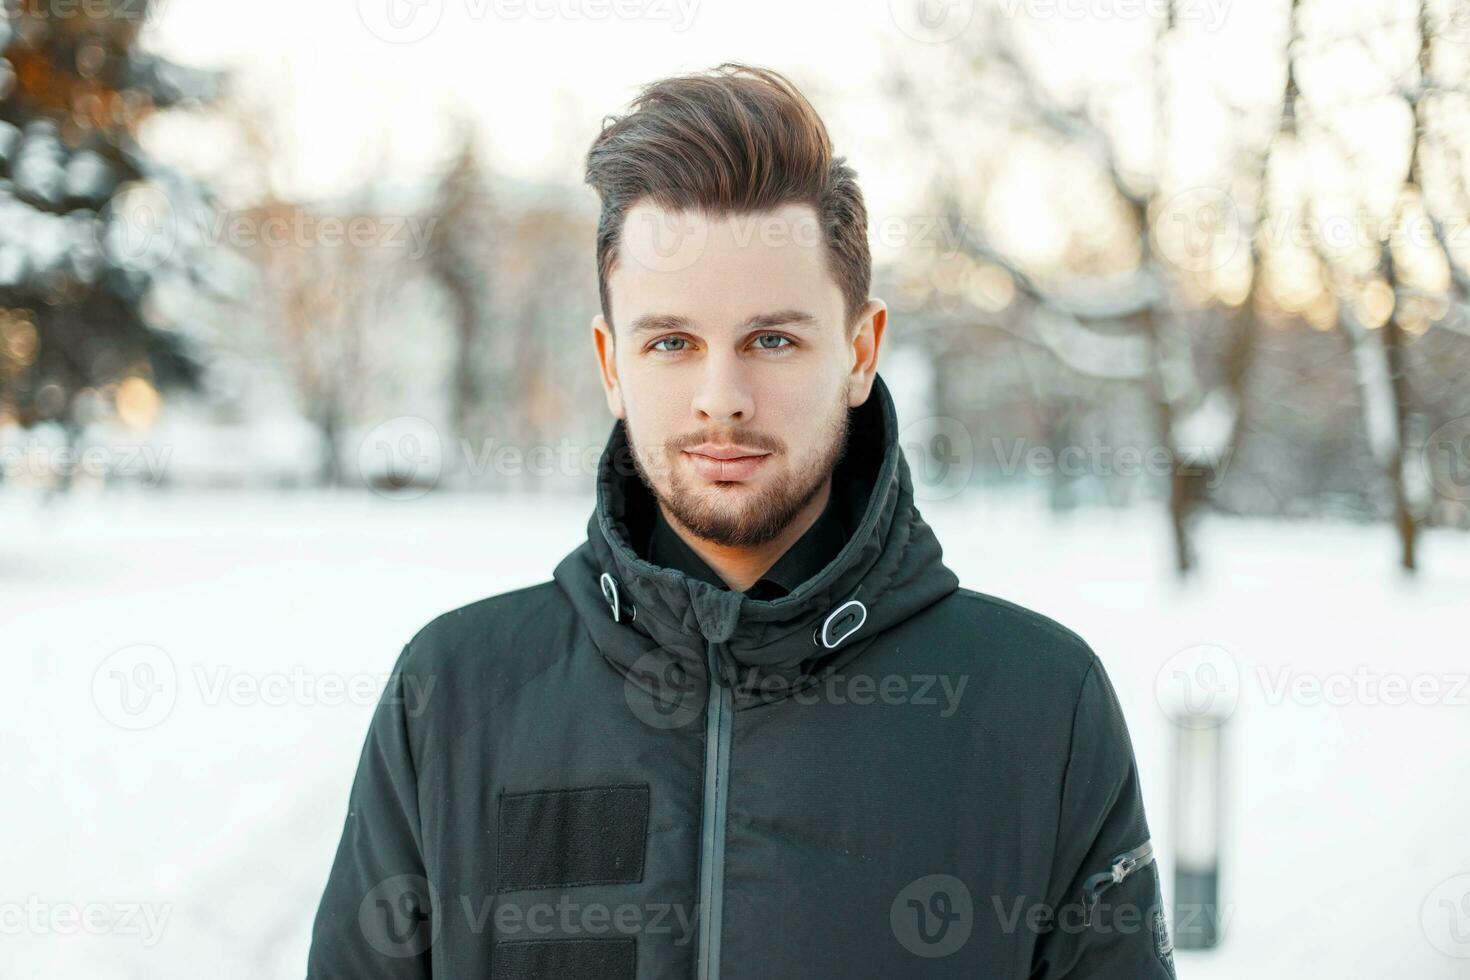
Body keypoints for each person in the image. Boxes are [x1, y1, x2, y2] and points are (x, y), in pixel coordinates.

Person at [307, 62, 1176, 979]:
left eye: (772, 339)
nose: (721, 400)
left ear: (859, 349)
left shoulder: (1038, 708)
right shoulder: (456, 692)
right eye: (672, 343)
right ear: (612, 363)